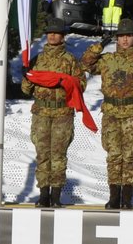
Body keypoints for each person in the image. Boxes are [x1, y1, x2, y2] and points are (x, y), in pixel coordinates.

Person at [82, 17, 133, 209]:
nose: (125, 40)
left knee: (130, 156)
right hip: (111, 114)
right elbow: (85, 64)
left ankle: (127, 198)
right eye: (121, 36)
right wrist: (100, 45)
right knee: (114, 156)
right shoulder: (108, 60)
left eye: (129, 36)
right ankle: (114, 196)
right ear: (117, 39)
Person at [23, 22, 86, 206]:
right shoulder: (37, 59)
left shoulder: (70, 60)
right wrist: (26, 77)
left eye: (56, 33)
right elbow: (26, 90)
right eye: (50, 32)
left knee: (58, 155)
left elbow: (81, 84)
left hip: (62, 112)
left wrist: (63, 82)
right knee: (43, 154)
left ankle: (56, 195)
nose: (52, 36)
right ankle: (43, 194)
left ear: (62, 37)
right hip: (41, 112)